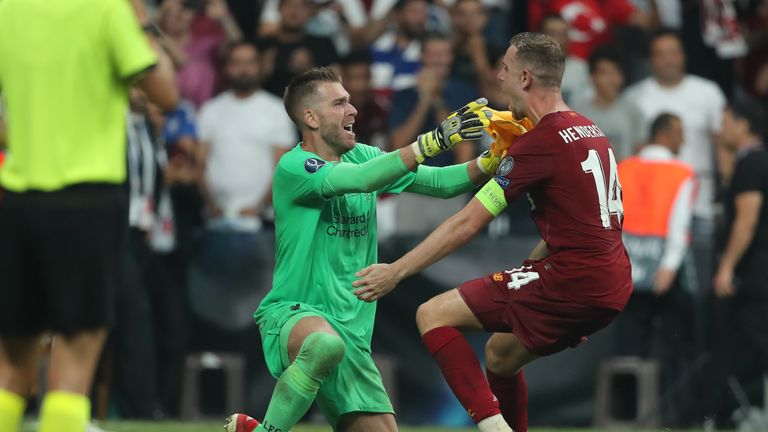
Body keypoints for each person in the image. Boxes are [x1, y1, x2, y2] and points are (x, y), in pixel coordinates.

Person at [352, 32, 633, 432]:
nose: (498, 76)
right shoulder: (590, 130)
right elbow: (584, 224)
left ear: (525, 78)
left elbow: (467, 222)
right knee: (500, 355)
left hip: (575, 280)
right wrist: (534, 268)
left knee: (432, 315)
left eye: (505, 68)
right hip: (612, 280)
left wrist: (395, 271)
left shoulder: (540, 142)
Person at [225, 66, 497, 432]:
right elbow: (361, 181)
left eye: (350, 102)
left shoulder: (362, 155)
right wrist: (431, 142)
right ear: (311, 117)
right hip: (293, 313)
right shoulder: (295, 166)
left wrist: (493, 159)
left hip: (352, 334)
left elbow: (439, 183)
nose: (352, 110)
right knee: (323, 345)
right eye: (339, 104)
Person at [0, 0, 177, 431]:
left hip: (19, 199)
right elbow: (165, 94)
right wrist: (142, 23)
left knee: (10, 365)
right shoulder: (105, 10)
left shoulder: (7, 11)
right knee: (73, 359)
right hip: (88, 203)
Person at [614, 113, 697, 426]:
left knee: (629, 347)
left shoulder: (623, 168)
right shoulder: (682, 173)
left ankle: (624, 416)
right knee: (677, 345)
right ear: (664, 134)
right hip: (665, 272)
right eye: (679, 133)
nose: (683, 140)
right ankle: (677, 418)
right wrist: (669, 266)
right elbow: (679, 225)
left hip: (627, 270)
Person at [704, 98, 768, 426]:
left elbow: (747, 219)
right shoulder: (754, 161)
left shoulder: (752, 164)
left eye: (727, 121)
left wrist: (727, 265)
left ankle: (736, 413)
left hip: (754, 274)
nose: (722, 128)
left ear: (743, 125)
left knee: (752, 343)